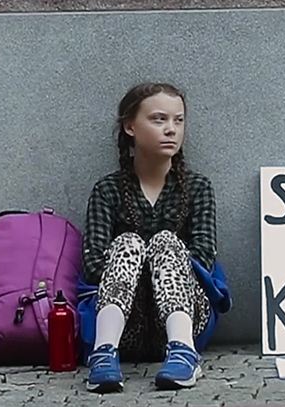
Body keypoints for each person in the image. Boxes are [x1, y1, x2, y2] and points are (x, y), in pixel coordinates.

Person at [82, 82, 218, 393]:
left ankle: (184, 353)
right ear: (130, 126)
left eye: (178, 120)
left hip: (183, 319)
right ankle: (103, 355)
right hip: (124, 325)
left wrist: (161, 261)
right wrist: (133, 268)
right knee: (128, 242)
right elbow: (92, 264)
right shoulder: (108, 190)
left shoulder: (197, 188)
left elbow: (204, 259)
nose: (171, 129)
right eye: (159, 119)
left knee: (166, 242)